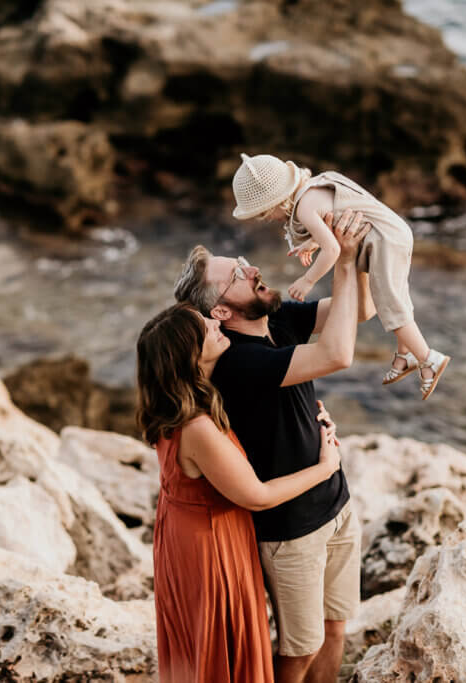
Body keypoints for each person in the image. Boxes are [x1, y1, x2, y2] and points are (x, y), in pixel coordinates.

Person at [173, 210, 370, 683]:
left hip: (335, 503)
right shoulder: (236, 362)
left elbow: (359, 310)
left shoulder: (277, 319)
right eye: (236, 274)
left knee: (335, 630)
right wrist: (339, 263)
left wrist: (359, 251)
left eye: (241, 260)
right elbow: (338, 355)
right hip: (290, 528)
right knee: (299, 651)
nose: (250, 267)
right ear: (221, 311)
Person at [137, 304, 343, 683]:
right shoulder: (196, 425)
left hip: (186, 534)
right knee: (224, 648)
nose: (217, 322)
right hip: (212, 543)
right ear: (188, 356)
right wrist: (325, 467)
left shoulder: (177, 405)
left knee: (204, 646)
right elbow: (257, 495)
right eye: (205, 327)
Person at [231, 153, 450, 400]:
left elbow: (333, 249)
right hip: (395, 232)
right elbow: (334, 217)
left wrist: (308, 280)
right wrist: (312, 243)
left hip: (384, 243)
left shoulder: (304, 208)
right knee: (398, 294)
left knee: (389, 303)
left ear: (275, 204)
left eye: (265, 214)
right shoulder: (317, 185)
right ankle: (405, 355)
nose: (269, 219)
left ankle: (428, 358)